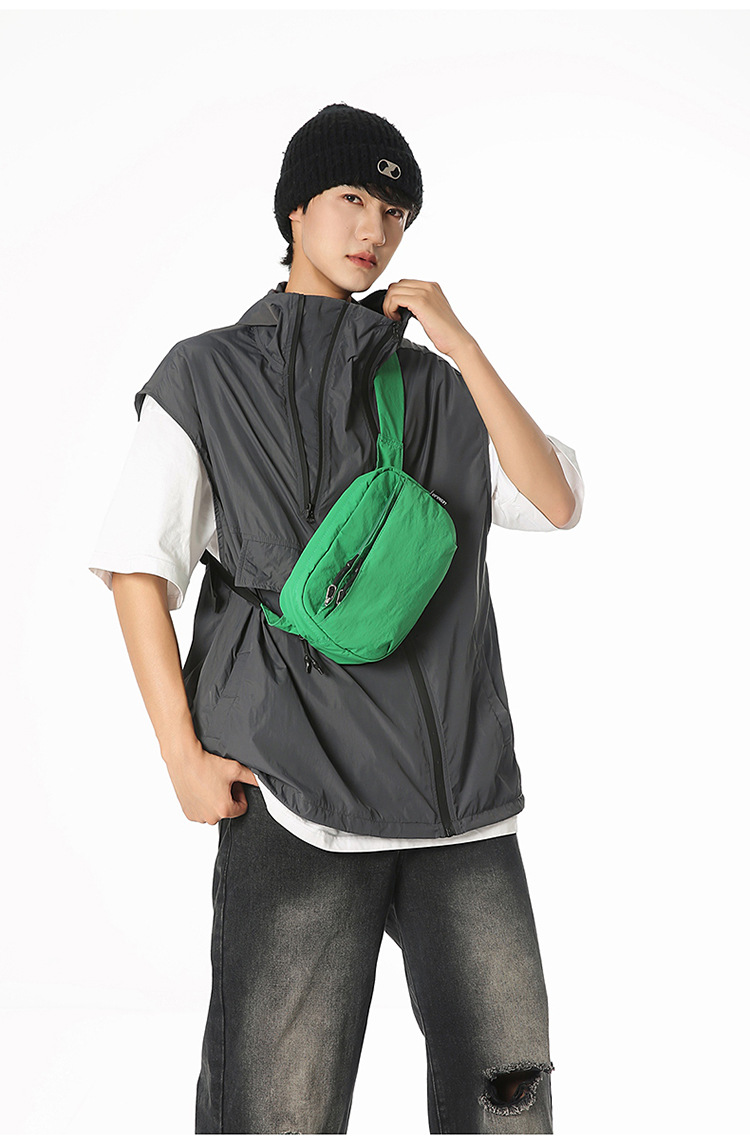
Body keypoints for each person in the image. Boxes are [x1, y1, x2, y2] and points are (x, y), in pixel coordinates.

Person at [89, 102, 584, 1134]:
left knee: (509, 1103)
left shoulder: (438, 388)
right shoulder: (208, 374)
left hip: (461, 805)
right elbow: (139, 565)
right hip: (297, 793)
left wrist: (461, 343)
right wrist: (181, 757)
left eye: (396, 212)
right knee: (279, 1112)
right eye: (352, 198)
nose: (374, 229)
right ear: (296, 210)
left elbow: (554, 501)